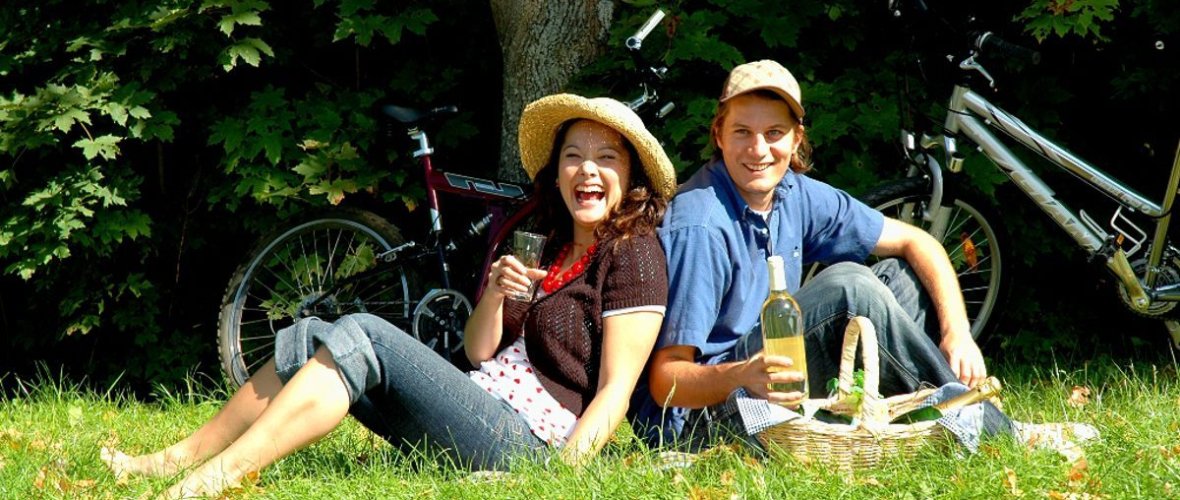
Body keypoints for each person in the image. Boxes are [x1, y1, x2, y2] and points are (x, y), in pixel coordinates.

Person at [101, 93, 677, 498]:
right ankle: (177, 459)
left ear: (630, 179)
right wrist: (496, 297)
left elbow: (615, 394)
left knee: (364, 334)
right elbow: (479, 353)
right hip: (478, 405)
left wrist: (554, 486)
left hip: (524, 441)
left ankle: (214, 480)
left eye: (607, 158)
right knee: (311, 336)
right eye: (573, 156)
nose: (587, 171)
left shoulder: (633, 253)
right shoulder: (547, 245)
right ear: (555, 172)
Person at [630, 59, 988, 448]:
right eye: (742, 132)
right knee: (850, 288)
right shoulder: (700, 226)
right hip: (704, 422)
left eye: (774, 133)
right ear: (718, 134)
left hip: (776, 379)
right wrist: (740, 375)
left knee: (902, 277)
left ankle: (899, 425)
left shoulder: (792, 192)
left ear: (796, 138)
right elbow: (667, 380)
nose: (758, 149)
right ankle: (977, 425)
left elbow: (919, 242)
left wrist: (958, 333)